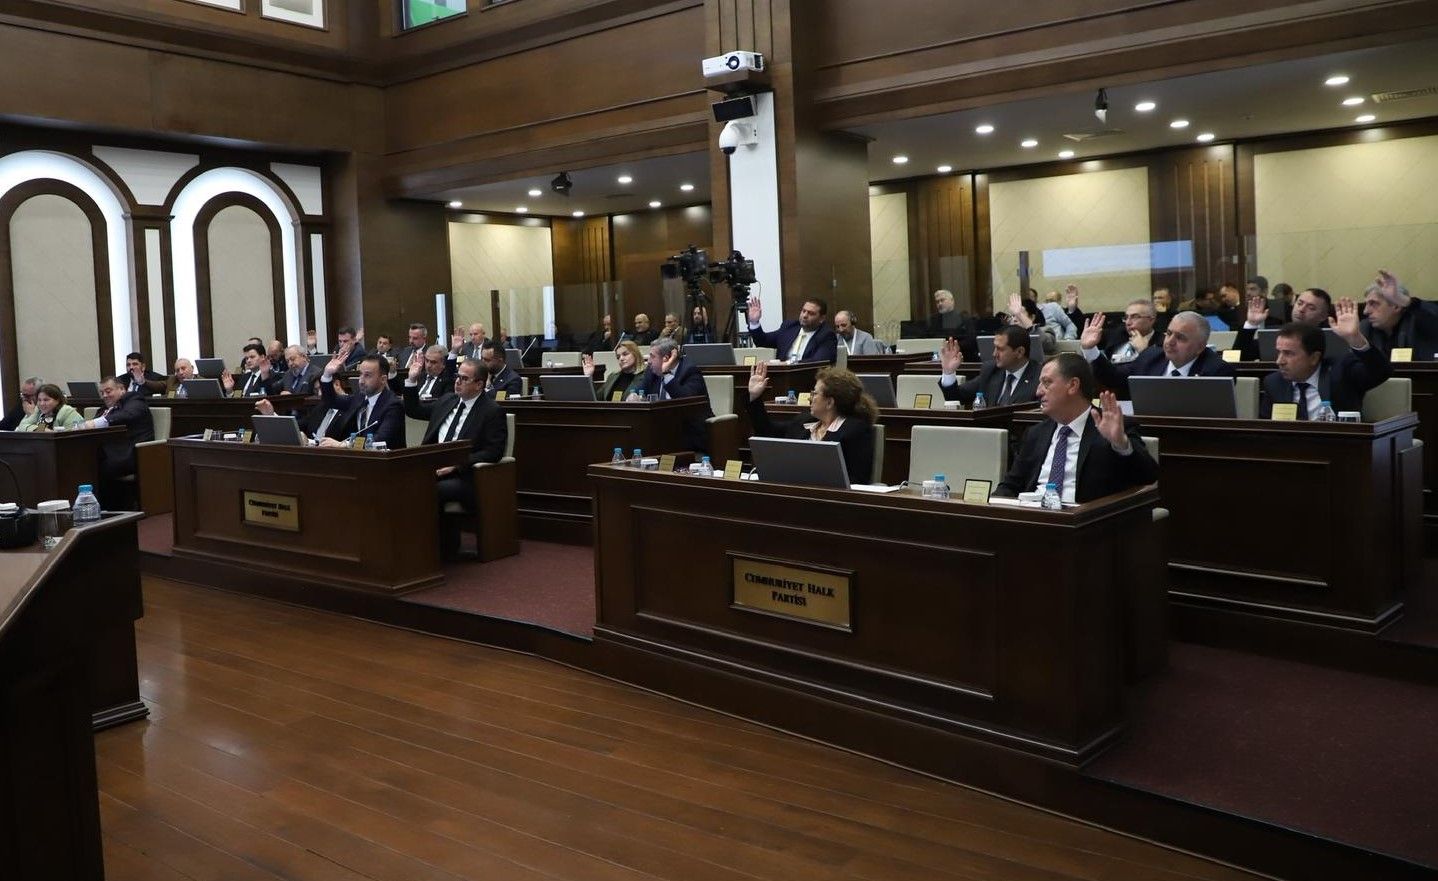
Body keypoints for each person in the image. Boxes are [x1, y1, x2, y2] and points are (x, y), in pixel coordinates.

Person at [993, 354, 1157, 504]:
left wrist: (1120, 443)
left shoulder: (1114, 426)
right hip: (1036, 517)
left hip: (1086, 519)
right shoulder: (1036, 433)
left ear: (1073, 385)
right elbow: (1011, 485)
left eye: (1047, 383)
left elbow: (1148, 476)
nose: (1038, 391)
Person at [403, 355, 507, 558]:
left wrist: (456, 465)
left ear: (479, 384)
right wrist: (412, 380)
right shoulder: (447, 400)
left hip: (466, 477)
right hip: (432, 469)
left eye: (464, 379)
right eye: (457, 377)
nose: (458, 382)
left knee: (428, 489)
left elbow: (494, 451)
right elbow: (414, 410)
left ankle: (438, 548)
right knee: (401, 482)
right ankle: (411, 545)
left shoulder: (491, 411)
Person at [745, 362, 876, 485]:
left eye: (815, 393)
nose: (809, 397)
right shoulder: (804, 421)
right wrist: (755, 397)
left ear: (830, 402)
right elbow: (766, 431)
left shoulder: (855, 431)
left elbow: (858, 480)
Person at [1260, 299, 1390, 419]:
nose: (1280, 361)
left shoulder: (1341, 372)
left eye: (1289, 354)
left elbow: (1382, 372)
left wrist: (1355, 338)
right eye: (1279, 352)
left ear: (1314, 358)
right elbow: (1266, 428)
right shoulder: (1274, 383)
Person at [1079, 309, 1237, 396]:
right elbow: (1113, 377)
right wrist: (1090, 349)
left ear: (1200, 347)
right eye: (1169, 333)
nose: (1170, 341)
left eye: (1180, 338)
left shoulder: (1217, 370)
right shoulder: (1150, 357)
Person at [82, 375, 155, 507]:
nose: (105, 396)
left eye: (108, 391)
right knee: (81, 463)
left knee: (92, 466)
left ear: (121, 389)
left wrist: (100, 422)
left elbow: (128, 415)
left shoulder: (134, 399)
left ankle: (105, 507)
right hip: (108, 451)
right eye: (102, 393)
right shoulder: (103, 409)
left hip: (132, 453)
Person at [631, 337, 712, 452]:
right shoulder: (652, 371)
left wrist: (666, 374)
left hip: (688, 433)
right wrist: (633, 395)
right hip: (661, 433)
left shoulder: (690, 371)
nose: (649, 361)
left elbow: (686, 401)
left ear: (666, 358)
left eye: (653, 356)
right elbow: (640, 389)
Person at [316, 347, 405, 448]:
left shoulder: (393, 405)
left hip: (385, 457)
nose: (361, 381)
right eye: (360, 374)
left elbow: (380, 439)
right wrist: (327, 375)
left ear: (383, 379)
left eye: (367, 375)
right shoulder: (360, 398)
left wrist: (344, 445)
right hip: (358, 456)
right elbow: (331, 401)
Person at [937, 326, 1039, 407]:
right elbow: (956, 398)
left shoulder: (1039, 377)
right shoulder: (991, 370)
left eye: (1000, 349)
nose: (994, 354)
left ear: (1019, 352)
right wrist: (948, 372)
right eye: (995, 348)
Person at [1234, 288, 1334, 360]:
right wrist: (1251, 324)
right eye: (1299, 303)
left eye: (1311, 308)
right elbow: (1239, 357)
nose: (1301, 309)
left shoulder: (1330, 338)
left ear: (1323, 316)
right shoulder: (1275, 333)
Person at [1361, 268, 1438, 360]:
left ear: (1396, 306)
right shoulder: (1366, 328)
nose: (1365, 311)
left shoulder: (1420, 323)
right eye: (1366, 304)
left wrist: (1403, 301)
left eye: (1373, 304)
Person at [746, 296, 838, 364]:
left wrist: (787, 364)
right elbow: (762, 341)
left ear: (821, 318)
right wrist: (754, 322)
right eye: (803, 311)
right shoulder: (789, 327)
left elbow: (819, 361)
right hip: (782, 377)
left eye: (811, 313)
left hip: (808, 378)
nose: (805, 315)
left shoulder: (827, 335)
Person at [1110, 300, 1160, 364]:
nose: (1128, 323)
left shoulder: (1163, 343)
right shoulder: (1119, 338)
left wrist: (1144, 351)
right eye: (1126, 317)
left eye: (1135, 317)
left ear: (1151, 320)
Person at [16, 383, 83, 431]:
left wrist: (41, 430)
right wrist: (40, 429)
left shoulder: (67, 411)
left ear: (57, 400)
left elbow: (72, 434)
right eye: (39, 400)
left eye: (46, 400)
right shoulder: (38, 410)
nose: (42, 403)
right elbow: (22, 426)